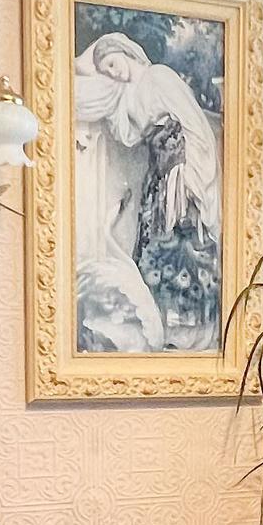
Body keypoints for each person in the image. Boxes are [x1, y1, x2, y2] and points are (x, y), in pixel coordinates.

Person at [71, 28, 220, 351]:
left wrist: (190, 173)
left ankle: (193, 330)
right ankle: (169, 327)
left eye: (113, 63)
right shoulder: (129, 95)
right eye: (107, 70)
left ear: (127, 53)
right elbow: (128, 134)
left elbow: (192, 124)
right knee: (157, 244)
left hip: (180, 171)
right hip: (159, 174)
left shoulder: (159, 76)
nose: (114, 72)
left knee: (185, 244)